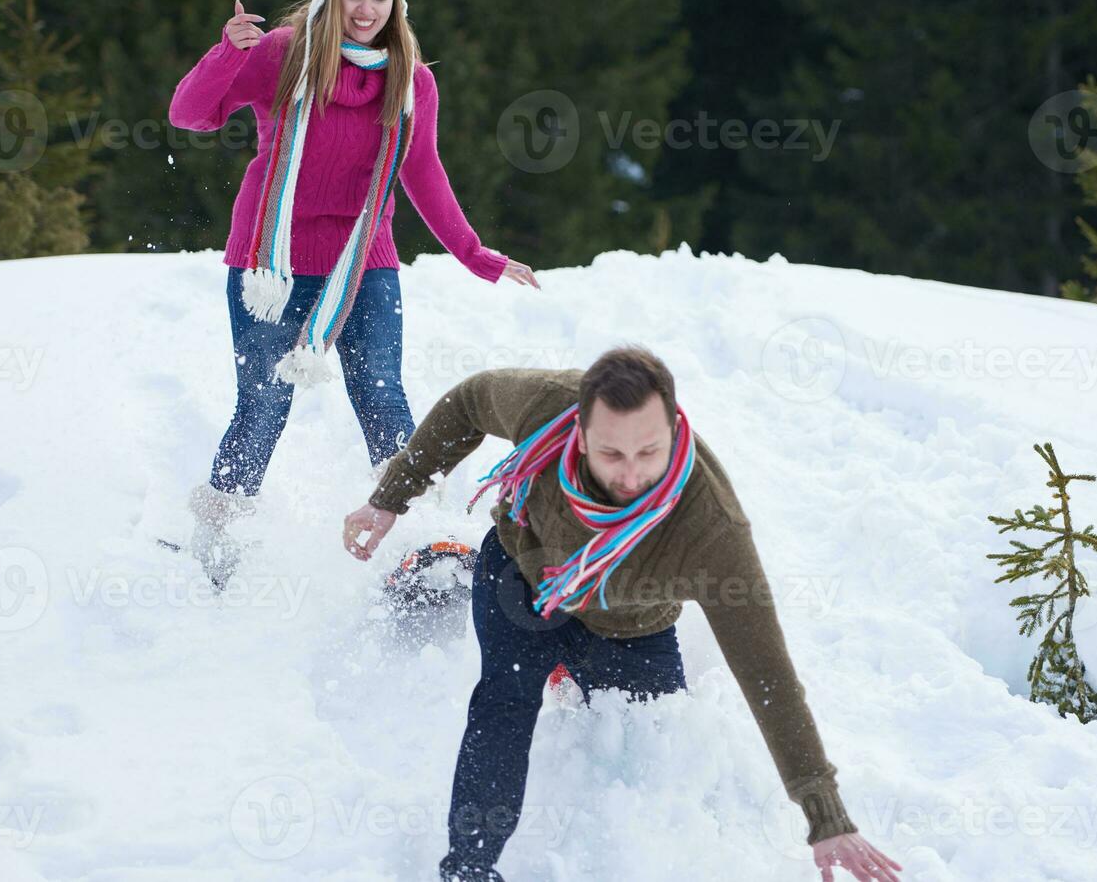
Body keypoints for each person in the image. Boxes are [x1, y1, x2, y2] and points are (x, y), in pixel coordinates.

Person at [342, 347, 903, 882]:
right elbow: (469, 401)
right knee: (506, 704)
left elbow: (767, 672)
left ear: (674, 430)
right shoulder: (549, 403)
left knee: (651, 742)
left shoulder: (710, 528)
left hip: (630, 625)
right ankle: (467, 867)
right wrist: (390, 497)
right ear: (580, 432)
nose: (631, 476)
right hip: (524, 572)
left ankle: (559, 652)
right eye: (611, 453)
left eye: (648, 452)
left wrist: (824, 814)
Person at [168, 0, 539, 585]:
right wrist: (228, 51)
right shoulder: (280, 53)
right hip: (268, 263)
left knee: (381, 393)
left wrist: (477, 255)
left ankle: (420, 541)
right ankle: (215, 541)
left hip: (362, 259)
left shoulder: (410, 78)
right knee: (262, 403)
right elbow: (190, 114)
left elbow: (421, 171)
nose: (365, 9)